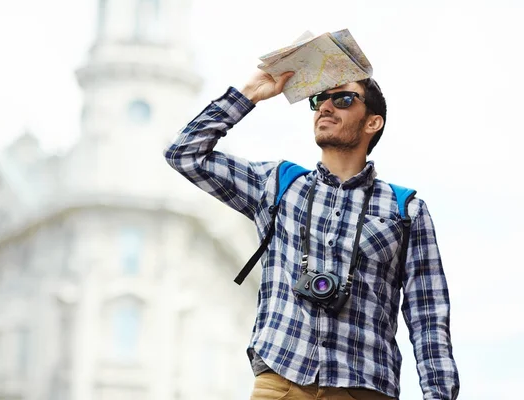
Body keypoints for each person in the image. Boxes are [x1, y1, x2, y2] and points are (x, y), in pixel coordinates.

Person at [163, 69, 459, 399]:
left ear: (373, 122)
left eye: (343, 99)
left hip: (364, 386)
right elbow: (184, 153)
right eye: (319, 100)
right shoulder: (277, 185)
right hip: (280, 380)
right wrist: (249, 94)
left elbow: (429, 317)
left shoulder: (406, 210)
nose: (325, 107)